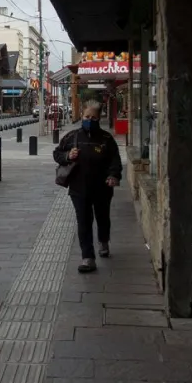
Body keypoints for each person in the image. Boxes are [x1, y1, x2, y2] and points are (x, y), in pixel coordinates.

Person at [53, 100, 122, 273]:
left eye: (93, 117)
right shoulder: (72, 137)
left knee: (102, 217)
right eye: (86, 117)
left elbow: (115, 160)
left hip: (102, 188)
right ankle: (88, 258)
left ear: (99, 118)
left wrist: (113, 175)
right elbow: (57, 153)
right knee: (83, 221)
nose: (89, 120)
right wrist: (68, 155)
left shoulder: (106, 139)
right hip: (78, 187)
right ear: (82, 116)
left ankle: (103, 241)